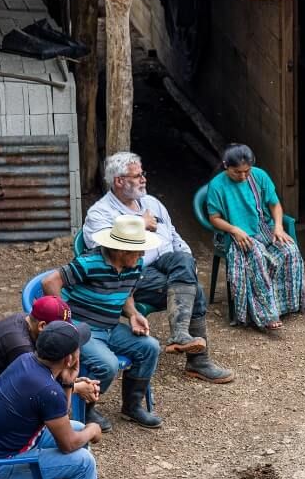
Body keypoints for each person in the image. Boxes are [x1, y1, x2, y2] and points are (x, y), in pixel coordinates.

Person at [83, 151, 234, 385]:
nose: (144, 179)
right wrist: (139, 225)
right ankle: (197, 360)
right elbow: (104, 253)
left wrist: (188, 258)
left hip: (167, 265)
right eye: (137, 175)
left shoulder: (152, 202)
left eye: (143, 173)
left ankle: (181, 336)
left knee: (183, 260)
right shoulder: (100, 213)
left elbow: (174, 236)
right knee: (196, 290)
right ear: (119, 181)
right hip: (131, 275)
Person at [43, 214, 164, 428]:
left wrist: (134, 314)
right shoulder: (89, 262)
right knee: (108, 364)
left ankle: (132, 406)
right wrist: (64, 321)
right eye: (138, 250)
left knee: (150, 347)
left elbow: (126, 295)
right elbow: (50, 282)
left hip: (111, 327)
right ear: (120, 250)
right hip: (84, 329)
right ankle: (86, 409)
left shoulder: (135, 265)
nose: (143, 254)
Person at [0, 321, 103, 479]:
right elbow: (68, 445)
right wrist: (93, 429)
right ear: (69, 359)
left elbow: (60, 415)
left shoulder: (26, 360)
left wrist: (68, 382)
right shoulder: (48, 390)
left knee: (78, 429)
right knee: (84, 461)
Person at [205, 143, 305, 329]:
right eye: (237, 172)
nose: (243, 176)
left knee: (289, 251)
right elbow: (215, 218)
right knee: (257, 256)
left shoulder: (259, 176)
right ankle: (266, 315)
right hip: (235, 233)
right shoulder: (217, 185)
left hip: (263, 227)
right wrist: (235, 230)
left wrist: (278, 227)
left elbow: (275, 205)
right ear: (226, 165)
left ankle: (285, 305)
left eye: (247, 171)